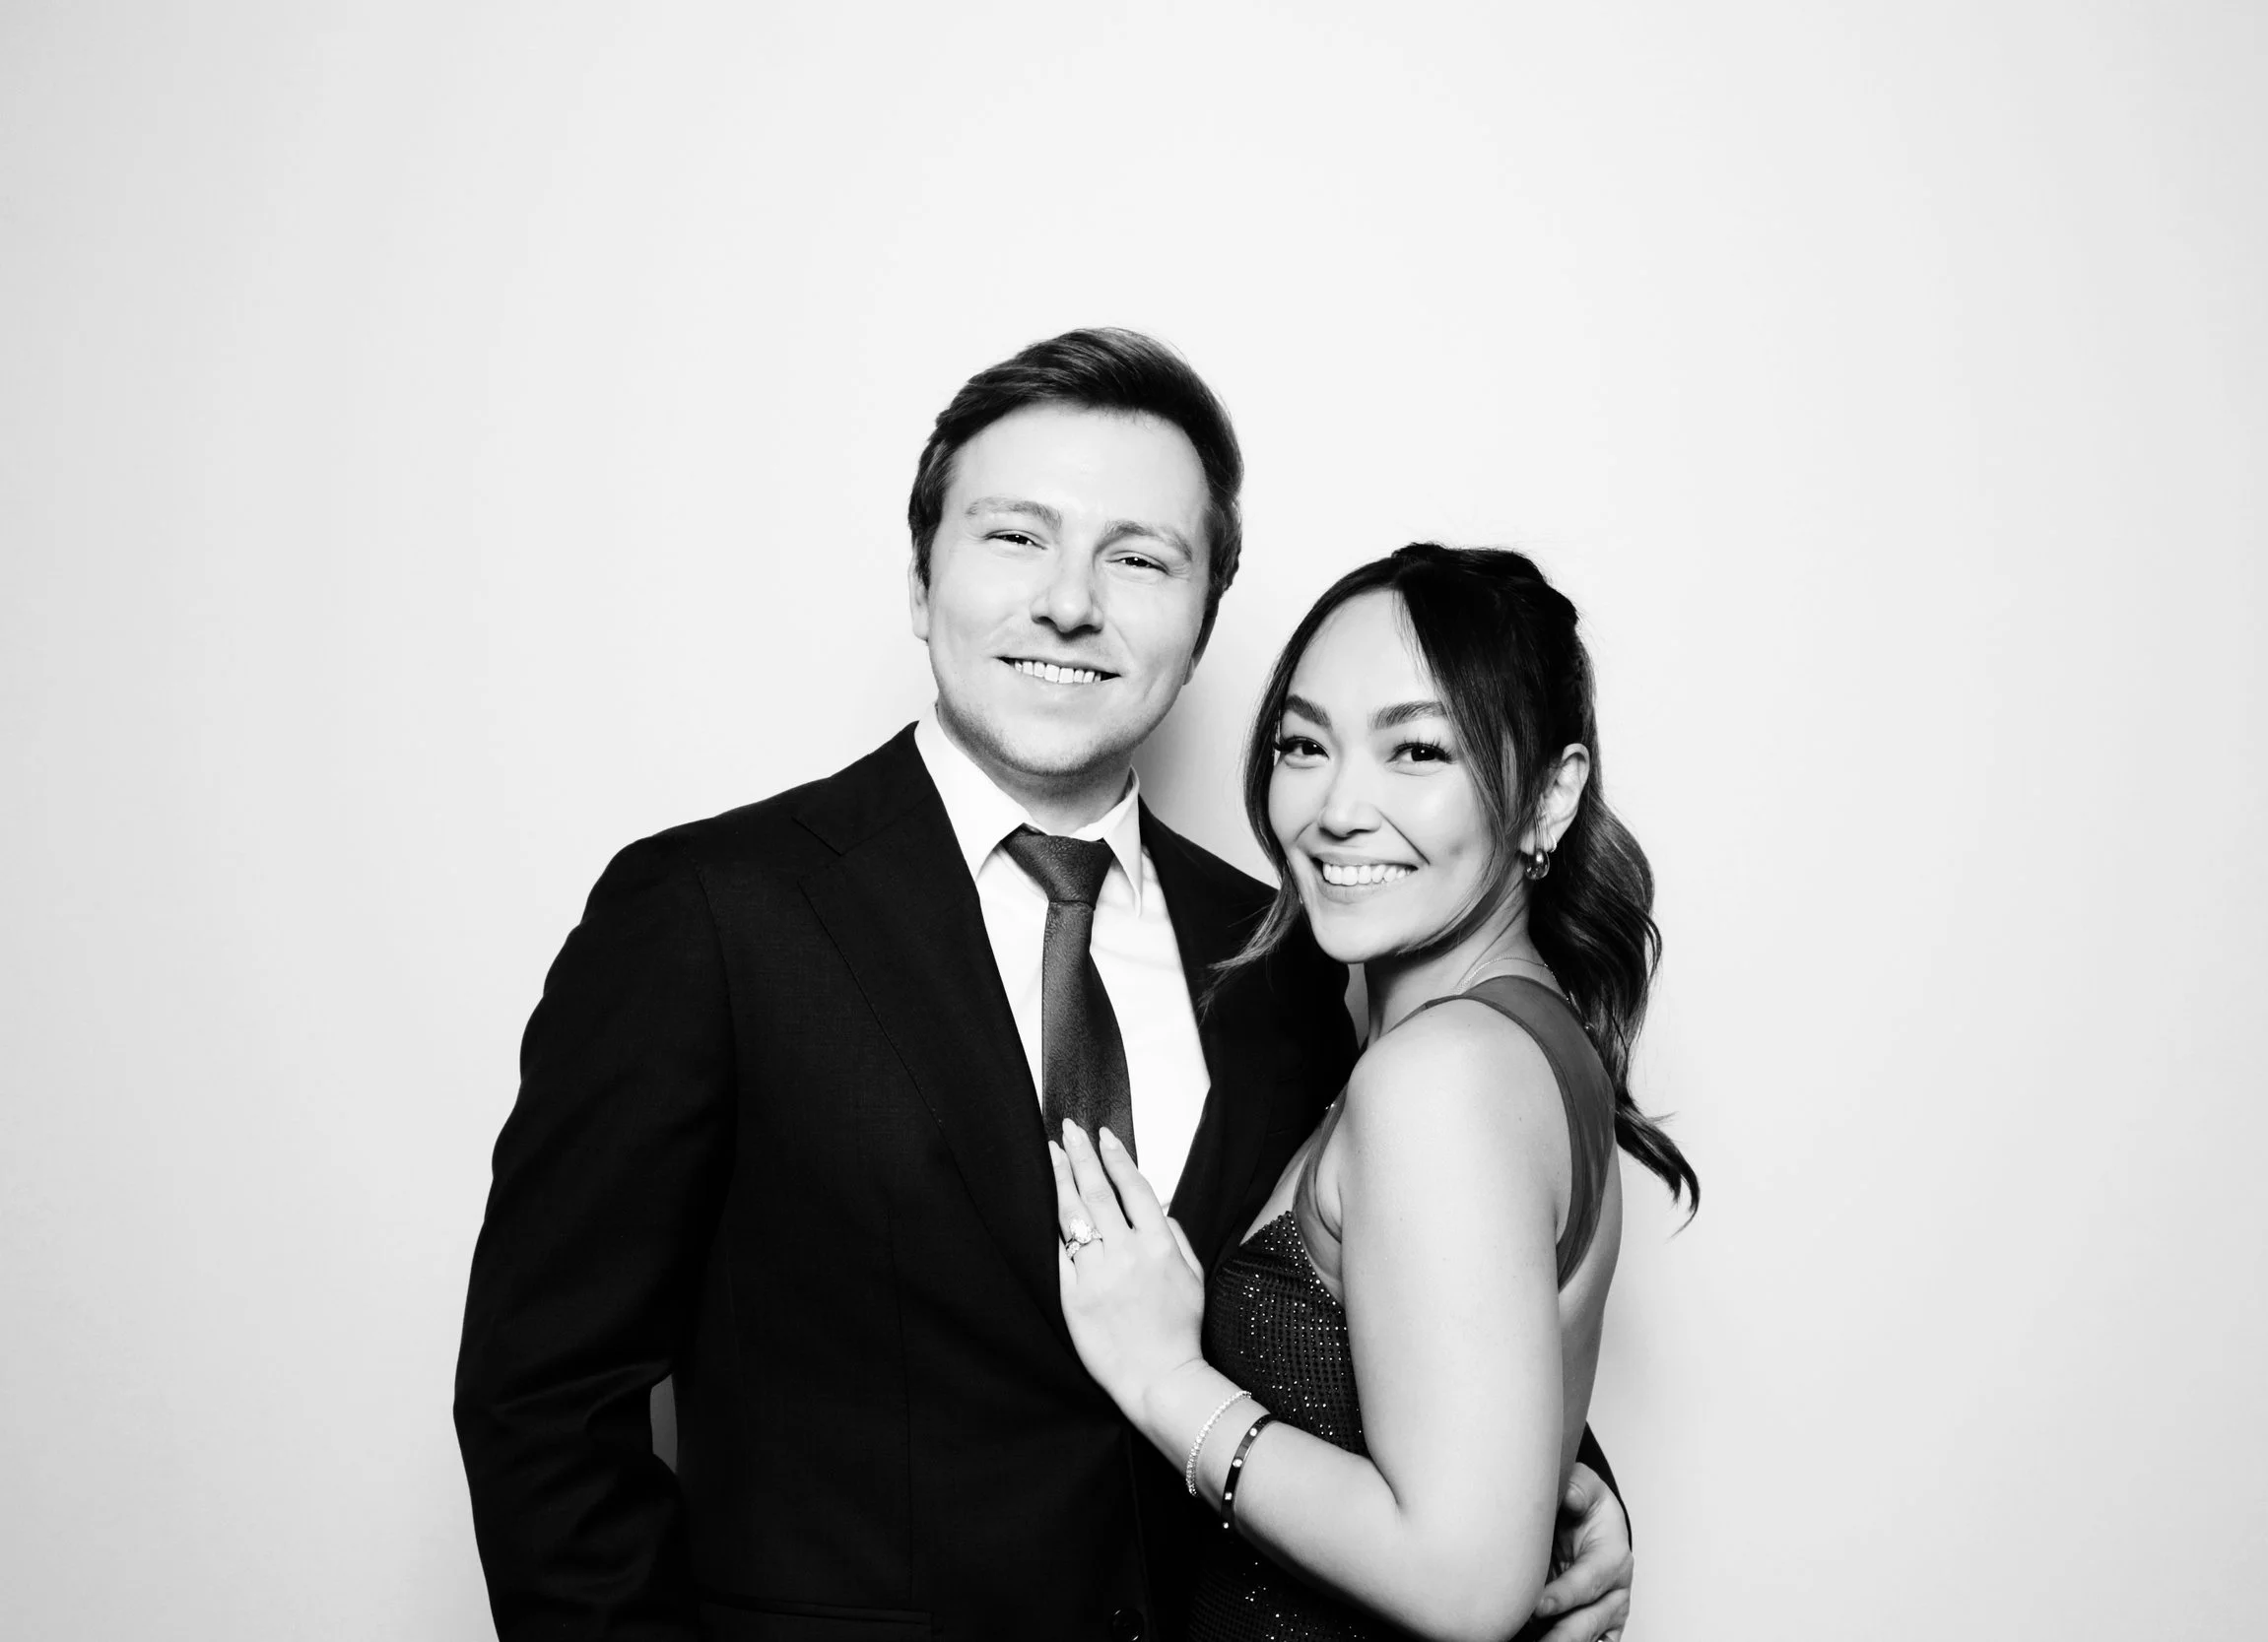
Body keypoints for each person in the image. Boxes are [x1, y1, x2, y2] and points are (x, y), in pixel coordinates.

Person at [453, 331, 1636, 1641]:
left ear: (1204, 619)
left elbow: (1399, 1306)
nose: (1071, 601)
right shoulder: (708, 916)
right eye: (1016, 538)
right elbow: (544, 1403)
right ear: (921, 578)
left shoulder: (1288, 948)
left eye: (1138, 556)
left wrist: (1554, 1492)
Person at [1048, 545, 1699, 1641]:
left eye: (1416, 749)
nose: (1337, 806)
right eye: (1305, 744)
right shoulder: (1523, 1041)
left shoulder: (1439, 1078)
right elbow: (1466, 1391)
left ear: (1550, 794)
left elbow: (1463, 1582)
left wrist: (1164, 1378)